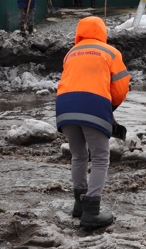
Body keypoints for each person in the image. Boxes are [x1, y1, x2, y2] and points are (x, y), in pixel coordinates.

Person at [56, 16, 130, 229]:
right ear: (102, 32)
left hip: (64, 106)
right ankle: (92, 212)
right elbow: (121, 87)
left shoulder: (71, 52)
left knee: (78, 155)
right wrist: (110, 105)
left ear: (79, 32)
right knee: (99, 158)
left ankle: (79, 205)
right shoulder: (110, 52)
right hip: (93, 104)